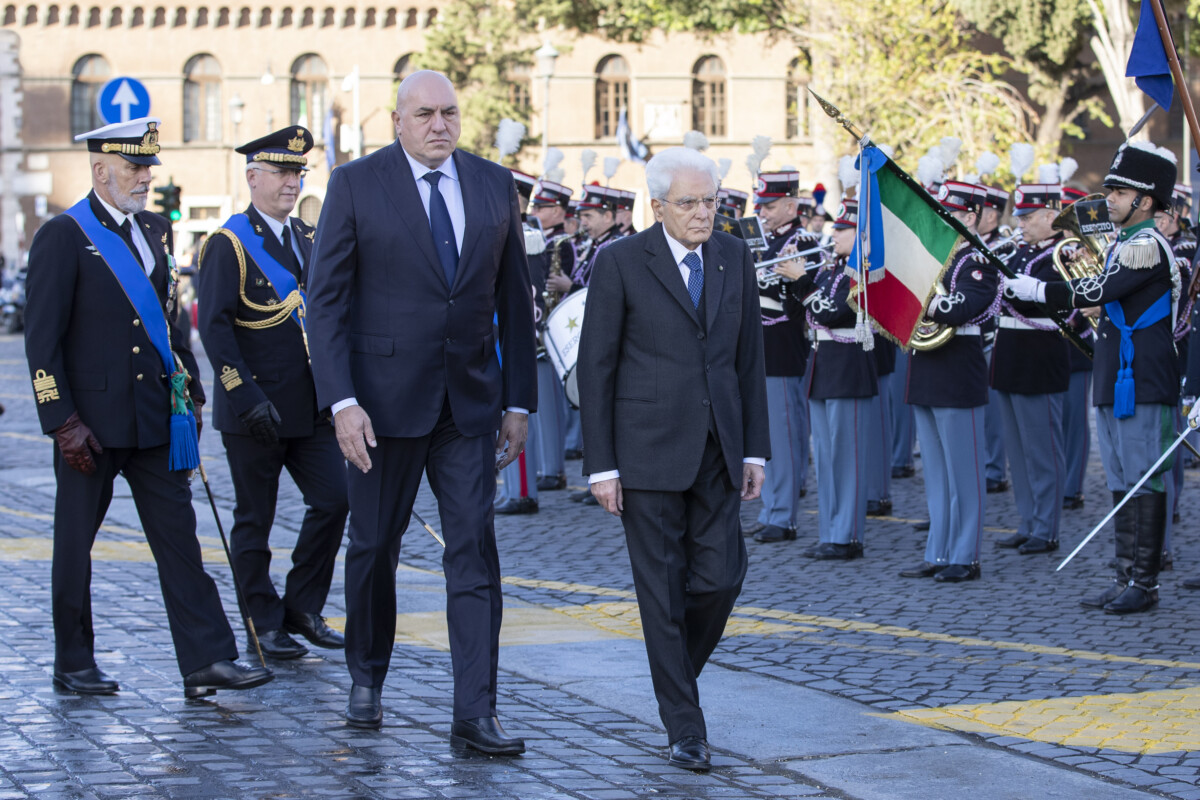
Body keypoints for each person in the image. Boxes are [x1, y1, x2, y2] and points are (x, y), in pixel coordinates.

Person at [305, 71, 537, 750]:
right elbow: (326, 302)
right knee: (374, 546)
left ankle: (476, 711)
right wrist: (342, 402)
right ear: (398, 121)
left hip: (467, 408)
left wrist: (517, 400)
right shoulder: (356, 184)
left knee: (473, 553)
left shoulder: (494, 185)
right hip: (379, 408)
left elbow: (514, 302)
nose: (440, 124)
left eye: (450, 113)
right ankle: (367, 675)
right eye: (425, 114)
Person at [23, 117, 272, 697]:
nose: (144, 178)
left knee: (179, 538)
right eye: (134, 168)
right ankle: (74, 661)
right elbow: (42, 340)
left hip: (155, 418)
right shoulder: (64, 235)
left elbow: (167, 321)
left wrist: (190, 384)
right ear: (100, 169)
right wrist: (61, 421)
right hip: (90, 426)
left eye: (148, 167)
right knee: (74, 545)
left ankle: (207, 658)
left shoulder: (157, 230)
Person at [578, 146, 769, 772]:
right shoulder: (621, 262)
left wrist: (754, 450)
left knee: (721, 579)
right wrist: (601, 465)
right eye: (689, 203)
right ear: (657, 206)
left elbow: (748, 362)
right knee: (660, 594)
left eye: (711, 200)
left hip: (718, 451)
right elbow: (596, 368)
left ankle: (673, 672)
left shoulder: (735, 258)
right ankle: (685, 726)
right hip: (646, 457)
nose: (704, 213)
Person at [1007, 140, 1180, 614]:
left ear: (1145, 200)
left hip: (1141, 378)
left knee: (1145, 476)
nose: (1110, 199)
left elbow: (1102, 289)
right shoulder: (1123, 243)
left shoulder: (1146, 245)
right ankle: (1125, 574)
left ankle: (1144, 583)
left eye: (1119, 192)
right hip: (1116, 374)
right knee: (1123, 478)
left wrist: (1040, 288)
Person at [196, 126, 349, 661]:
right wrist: (242, 395)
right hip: (255, 411)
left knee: (336, 500)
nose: (292, 183)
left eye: (298, 174)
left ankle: (302, 606)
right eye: (283, 173)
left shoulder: (309, 238)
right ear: (253, 177)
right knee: (254, 520)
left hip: (311, 407)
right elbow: (214, 329)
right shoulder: (228, 243)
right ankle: (263, 622)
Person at [899, 182, 999, 583]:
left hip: (958, 371)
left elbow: (964, 306)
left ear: (970, 217)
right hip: (926, 367)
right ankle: (938, 552)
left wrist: (919, 298)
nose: (938, 219)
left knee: (963, 472)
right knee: (937, 475)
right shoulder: (932, 259)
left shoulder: (976, 259)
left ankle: (965, 556)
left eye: (948, 213)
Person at [990, 175, 1070, 555]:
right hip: (1010, 354)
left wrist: (1010, 287)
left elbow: (1045, 300)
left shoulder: (1067, 252)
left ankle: (1046, 527)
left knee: (1042, 449)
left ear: (1052, 215)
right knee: (1017, 450)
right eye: (1019, 217)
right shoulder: (1019, 252)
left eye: (1028, 216)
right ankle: (1027, 520)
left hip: (1039, 356)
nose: (1020, 224)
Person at [798, 199, 876, 560]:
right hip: (824, 365)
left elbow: (833, 313)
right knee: (827, 459)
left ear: (861, 236)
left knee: (846, 460)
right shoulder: (833, 269)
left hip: (847, 368)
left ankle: (847, 536)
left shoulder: (864, 273)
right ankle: (831, 532)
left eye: (842, 229)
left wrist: (801, 283)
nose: (834, 234)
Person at [744, 169, 815, 544]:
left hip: (784, 348)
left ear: (791, 204)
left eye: (770, 206)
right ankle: (771, 508)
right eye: (762, 206)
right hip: (761, 348)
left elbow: (795, 297)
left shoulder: (802, 241)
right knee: (765, 437)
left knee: (783, 439)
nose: (764, 212)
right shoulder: (767, 241)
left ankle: (784, 516)